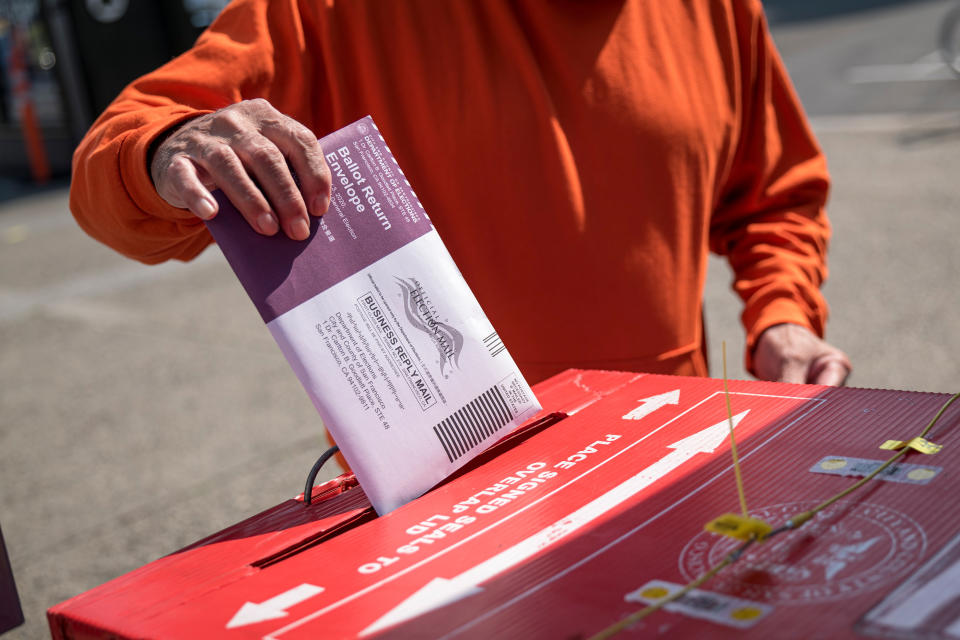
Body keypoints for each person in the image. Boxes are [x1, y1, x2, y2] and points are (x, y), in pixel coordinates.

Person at [70, 0, 850, 387]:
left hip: (662, 450)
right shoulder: (332, 14)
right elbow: (114, 167)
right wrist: (170, 147)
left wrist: (782, 318)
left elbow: (774, 195)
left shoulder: (712, 9)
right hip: (438, 504)